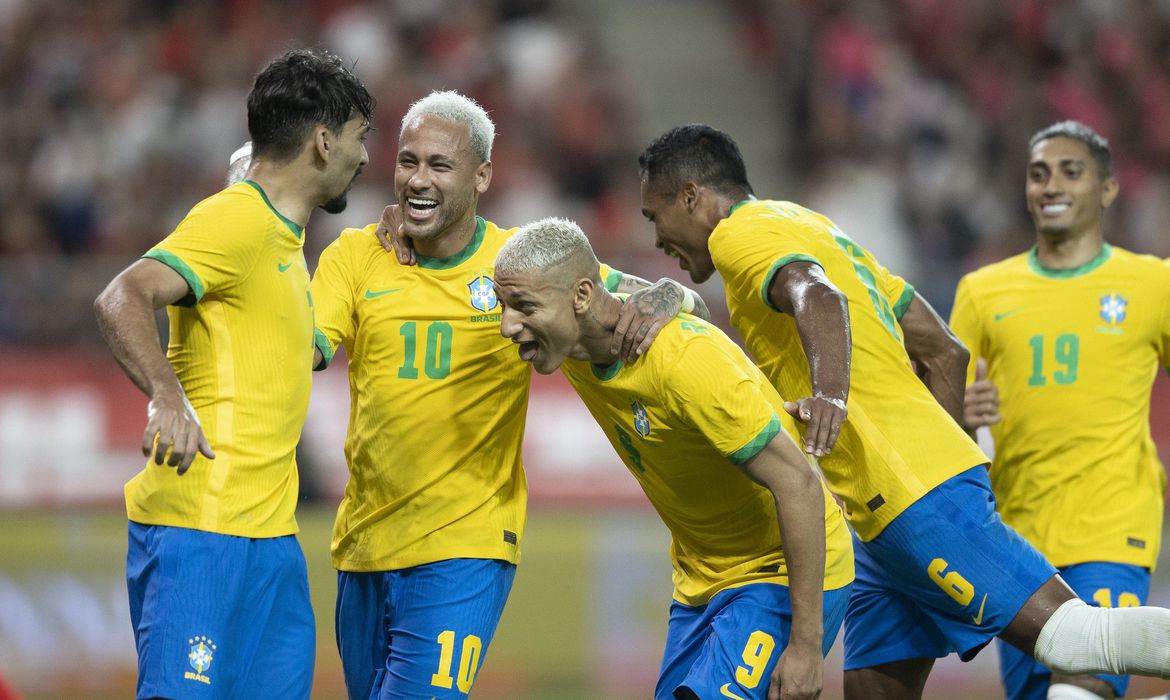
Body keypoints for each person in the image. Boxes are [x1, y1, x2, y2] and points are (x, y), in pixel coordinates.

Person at [635, 123, 1170, 699]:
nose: (658, 236)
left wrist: (834, 400)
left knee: (1074, 639)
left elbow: (817, 295)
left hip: (914, 500)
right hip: (879, 519)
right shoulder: (813, 227)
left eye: (654, 215)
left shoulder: (737, 235)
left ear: (690, 195)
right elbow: (945, 352)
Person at [310, 90, 707, 700]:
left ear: (483, 176)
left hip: (465, 546)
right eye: (408, 161)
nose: (418, 179)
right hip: (363, 545)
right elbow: (304, 348)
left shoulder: (519, 266)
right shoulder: (357, 256)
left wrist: (651, 307)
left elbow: (680, 297)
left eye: (439, 166)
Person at [93, 48, 373, 700]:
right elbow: (121, 296)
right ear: (324, 141)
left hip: (271, 541)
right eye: (361, 138)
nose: (365, 158)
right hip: (202, 531)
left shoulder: (286, 245)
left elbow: (298, 351)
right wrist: (166, 394)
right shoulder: (238, 219)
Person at [493, 217, 854, 700]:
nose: (506, 325)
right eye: (504, 305)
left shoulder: (684, 361)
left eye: (523, 307)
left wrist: (807, 649)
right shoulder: (572, 332)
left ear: (581, 297)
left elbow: (800, 485)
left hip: (779, 573)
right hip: (701, 579)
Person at [950, 121, 1170, 700]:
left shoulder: (1152, 284)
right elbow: (939, 417)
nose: (1052, 185)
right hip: (1016, 544)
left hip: (1112, 529)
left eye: (1072, 172)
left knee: (1081, 690)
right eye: (1039, 173)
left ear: (1108, 189)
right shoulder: (982, 290)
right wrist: (964, 412)